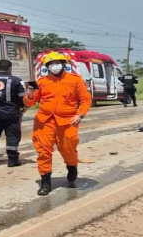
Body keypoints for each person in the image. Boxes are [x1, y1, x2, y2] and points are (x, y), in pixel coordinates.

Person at [23, 51, 92, 196]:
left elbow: (86, 99)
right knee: (43, 151)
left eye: (57, 63)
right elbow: (30, 102)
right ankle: (45, 182)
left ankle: (72, 166)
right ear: (47, 67)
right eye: (51, 64)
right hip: (44, 121)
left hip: (68, 121)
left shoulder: (75, 80)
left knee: (68, 148)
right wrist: (29, 95)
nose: (54, 66)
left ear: (64, 64)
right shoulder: (41, 82)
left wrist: (80, 115)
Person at [0, 59, 26, 168]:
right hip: (12, 114)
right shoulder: (16, 81)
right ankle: (12, 160)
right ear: (10, 68)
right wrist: (22, 107)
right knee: (12, 136)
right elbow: (23, 98)